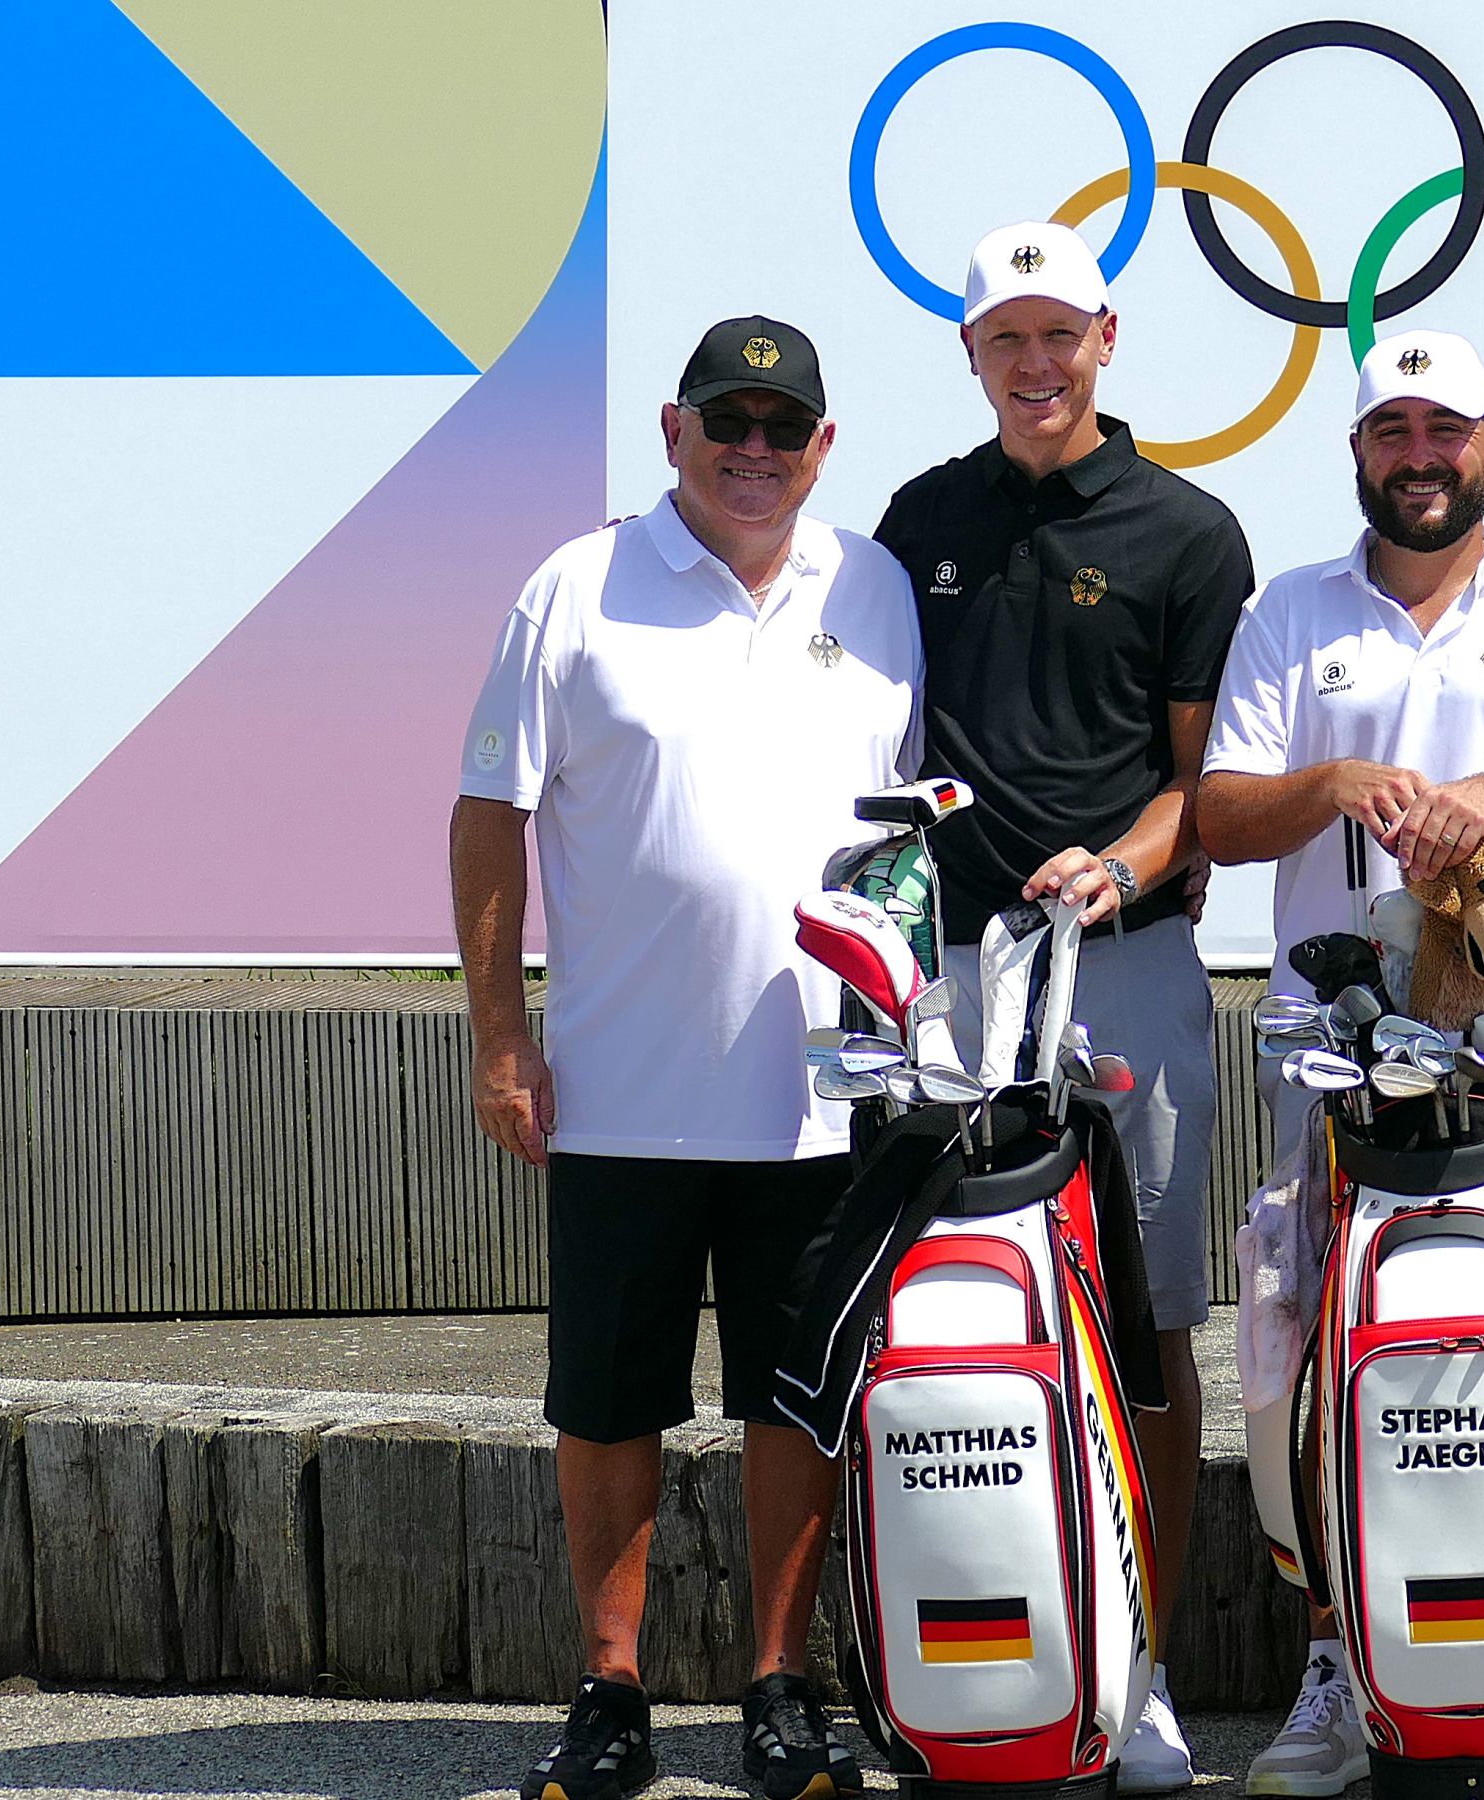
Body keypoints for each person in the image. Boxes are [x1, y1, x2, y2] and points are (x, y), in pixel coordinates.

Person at [451, 317, 919, 1800]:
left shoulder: (878, 587)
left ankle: (780, 1689)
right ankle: (610, 1694)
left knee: (797, 1405)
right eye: (731, 419)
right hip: (620, 1092)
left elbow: (903, 827)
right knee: (609, 1405)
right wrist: (501, 1038)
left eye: (787, 426)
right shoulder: (575, 587)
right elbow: (486, 814)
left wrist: (905, 1036)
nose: (757, 450)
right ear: (674, 429)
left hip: (818, 1099)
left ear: (824, 447)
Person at [1198, 330, 1484, 1796]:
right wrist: (1331, 784)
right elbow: (1220, 813)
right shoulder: (1290, 612)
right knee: (1315, 1354)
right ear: (1359, 452)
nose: (1419, 454)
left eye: (1446, 429)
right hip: (1328, 1067)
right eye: (1392, 429)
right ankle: (1335, 1662)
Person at [869, 220, 1254, 1795]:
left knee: (1145, 1328)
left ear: (1109, 339)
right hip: (948, 981)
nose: (1036, 365)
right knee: (936, 1317)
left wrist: (1125, 864)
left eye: (1060, 335)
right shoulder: (917, 519)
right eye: (1005, 340)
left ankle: (1137, 1662)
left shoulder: (1187, 530)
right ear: (973, 353)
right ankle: (952, 1653)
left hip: (1125, 966)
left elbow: (1199, 783)